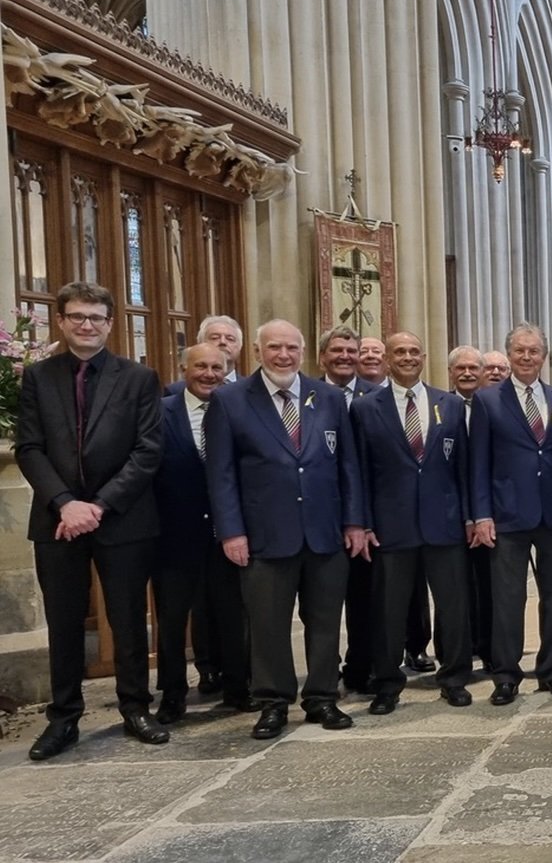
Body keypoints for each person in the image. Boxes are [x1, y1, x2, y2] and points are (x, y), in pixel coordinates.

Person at [17, 281, 168, 759]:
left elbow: (148, 451)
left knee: (126, 619)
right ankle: (63, 719)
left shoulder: (139, 378)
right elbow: (29, 447)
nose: (87, 325)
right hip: (58, 519)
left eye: (96, 318)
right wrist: (65, 502)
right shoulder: (38, 378)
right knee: (63, 622)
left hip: (122, 518)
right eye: (78, 317)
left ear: (110, 323)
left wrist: (99, 505)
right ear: (61, 321)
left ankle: (135, 708)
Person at [205, 319, 368, 739]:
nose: (283, 355)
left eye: (291, 348)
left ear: (303, 352)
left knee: (326, 620)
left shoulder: (328, 397)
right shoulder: (231, 400)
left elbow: (348, 466)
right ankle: (273, 702)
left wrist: (354, 521)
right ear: (258, 351)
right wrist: (231, 532)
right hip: (264, 534)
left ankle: (322, 697)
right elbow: (220, 474)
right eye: (274, 347)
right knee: (269, 624)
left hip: (324, 532)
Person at [350, 332, 473, 714]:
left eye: (413, 352)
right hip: (391, 525)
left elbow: (463, 469)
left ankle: (454, 678)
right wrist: (363, 522)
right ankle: (387, 683)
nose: (406, 357)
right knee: (390, 608)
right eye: (399, 352)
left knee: (452, 606)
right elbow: (359, 472)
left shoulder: (449, 405)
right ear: (387, 359)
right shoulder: (366, 408)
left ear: (424, 357)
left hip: (445, 522)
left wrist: (469, 516)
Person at [470, 323, 552, 703]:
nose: (527, 357)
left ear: (545, 357)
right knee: (508, 597)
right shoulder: (488, 401)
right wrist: (481, 515)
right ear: (510, 354)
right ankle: (506, 674)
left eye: (534, 351)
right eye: (520, 351)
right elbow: (478, 464)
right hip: (507, 514)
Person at [151, 343, 253, 726]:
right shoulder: (160, 412)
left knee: (232, 614)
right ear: (183, 368)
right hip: (175, 533)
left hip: (229, 533)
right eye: (201, 366)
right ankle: (173, 694)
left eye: (218, 367)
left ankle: (237, 688)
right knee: (173, 619)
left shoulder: (239, 409)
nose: (209, 373)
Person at [317, 326, 381, 692]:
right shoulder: (310, 395)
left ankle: (362, 668)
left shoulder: (377, 396)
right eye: (337, 350)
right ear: (323, 355)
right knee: (323, 604)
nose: (345, 356)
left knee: (365, 598)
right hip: (322, 514)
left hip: (368, 516)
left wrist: (367, 518)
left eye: (351, 350)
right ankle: (325, 672)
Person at [448, 344, 491, 670]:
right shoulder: (444, 406)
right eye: (460, 368)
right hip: (448, 513)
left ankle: (489, 648)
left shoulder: (489, 405)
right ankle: (456, 657)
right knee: (455, 591)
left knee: (489, 585)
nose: (466, 374)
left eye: (472, 369)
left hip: (487, 512)